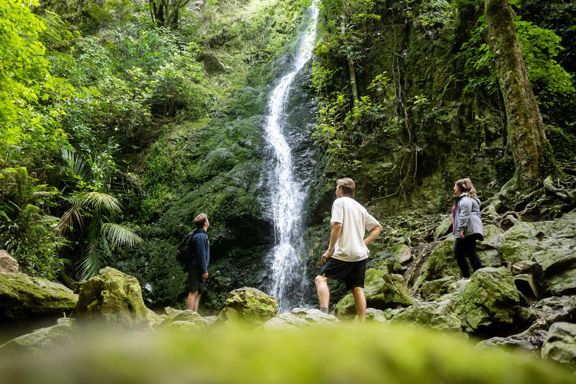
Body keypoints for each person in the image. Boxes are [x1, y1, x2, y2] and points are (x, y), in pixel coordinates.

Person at [315, 178, 382, 321]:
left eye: (336, 187)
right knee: (357, 287)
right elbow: (377, 228)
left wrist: (330, 249)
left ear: (341, 189)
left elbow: (337, 225)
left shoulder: (339, 202)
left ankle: (323, 315)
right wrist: (363, 244)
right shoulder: (360, 207)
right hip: (360, 255)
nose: (335, 190)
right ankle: (362, 324)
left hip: (344, 253)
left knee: (321, 279)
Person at [452, 178, 484, 278]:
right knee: (471, 252)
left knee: (458, 253)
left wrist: (460, 229)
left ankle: (467, 277)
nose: (453, 188)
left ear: (460, 188)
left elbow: (464, 214)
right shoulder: (466, 198)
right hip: (470, 229)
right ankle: (481, 275)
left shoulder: (465, 199)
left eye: (455, 186)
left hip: (467, 230)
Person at [184, 213, 210, 312]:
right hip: (196, 268)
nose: (208, 221)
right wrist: (204, 270)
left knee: (198, 292)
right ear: (205, 223)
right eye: (207, 219)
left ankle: (194, 316)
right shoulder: (199, 236)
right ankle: (188, 316)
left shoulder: (201, 234)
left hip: (198, 267)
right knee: (193, 292)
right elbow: (201, 255)